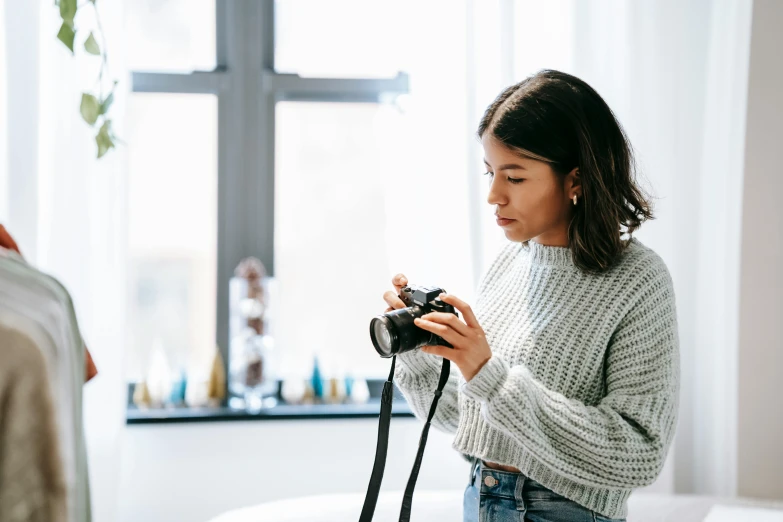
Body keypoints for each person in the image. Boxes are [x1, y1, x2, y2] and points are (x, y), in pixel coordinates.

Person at [383, 70, 679, 522]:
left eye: (514, 178)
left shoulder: (638, 279)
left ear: (575, 179)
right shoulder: (510, 265)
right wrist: (420, 355)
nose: (493, 196)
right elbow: (465, 421)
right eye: (490, 173)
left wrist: (491, 376)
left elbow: (639, 451)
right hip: (482, 498)